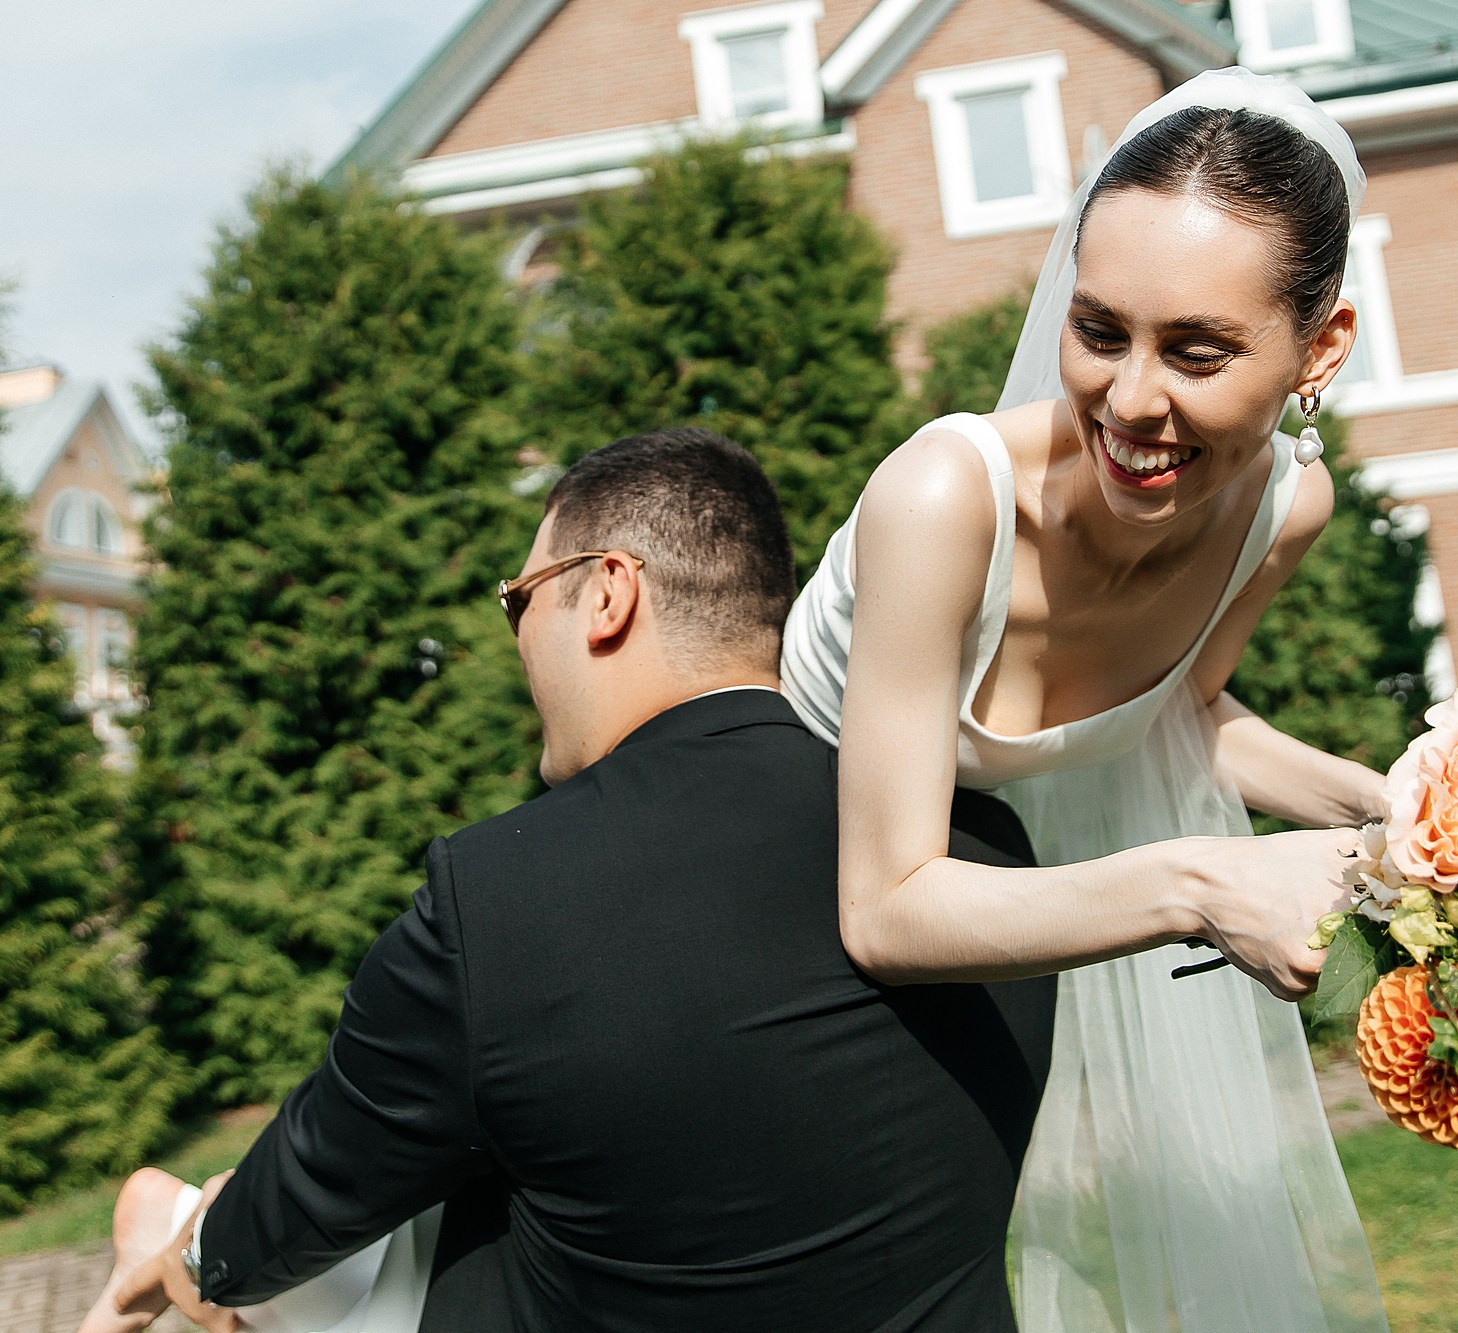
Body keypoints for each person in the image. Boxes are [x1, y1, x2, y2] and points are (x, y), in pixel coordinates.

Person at [82, 429, 1056, 1333]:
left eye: (519, 598)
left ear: (605, 594)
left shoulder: (500, 897)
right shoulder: (983, 852)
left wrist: (192, 1253)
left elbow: (307, 1191)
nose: (514, 637)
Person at [781, 67, 1391, 1330]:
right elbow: (883, 907)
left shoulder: (1286, 509)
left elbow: (1187, 715)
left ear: (1318, 346)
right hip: (781, 898)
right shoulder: (942, 500)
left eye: (1198, 351)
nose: (1129, 400)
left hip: (1007, 922)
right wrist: (1207, 886)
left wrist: (1408, 811)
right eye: (1099, 330)